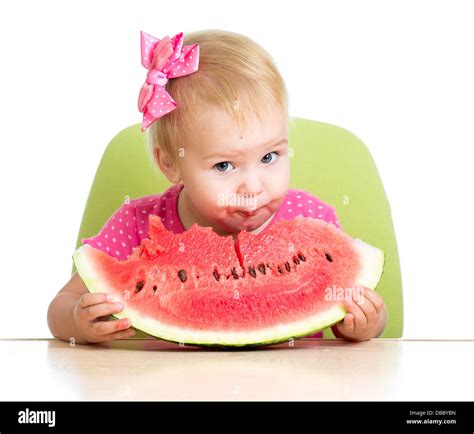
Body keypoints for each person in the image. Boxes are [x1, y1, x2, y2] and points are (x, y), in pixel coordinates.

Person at [47, 29, 387, 345]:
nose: (253, 187)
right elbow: (62, 305)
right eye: (224, 166)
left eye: (270, 157)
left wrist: (365, 323)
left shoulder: (313, 218)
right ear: (170, 163)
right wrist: (78, 322)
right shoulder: (136, 224)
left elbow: (355, 302)